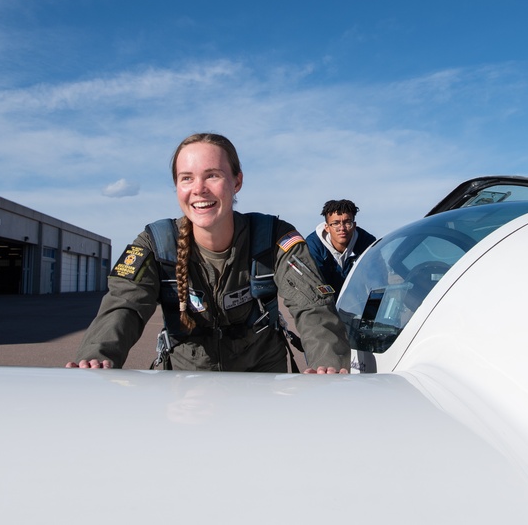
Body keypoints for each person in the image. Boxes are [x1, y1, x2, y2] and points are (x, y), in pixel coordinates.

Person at [66, 133, 350, 373]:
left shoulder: (273, 236)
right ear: (177, 186)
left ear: (237, 181)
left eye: (212, 175)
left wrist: (329, 364)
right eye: (186, 178)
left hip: (262, 384)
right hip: (186, 388)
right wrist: (96, 357)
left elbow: (312, 305)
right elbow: (123, 306)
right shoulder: (155, 244)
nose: (199, 189)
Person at [305, 199, 377, 294]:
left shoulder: (367, 243)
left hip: (357, 301)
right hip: (324, 302)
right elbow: (313, 284)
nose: (342, 228)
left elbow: (378, 278)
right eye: (335, 223)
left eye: (347, 222)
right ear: (327, 227)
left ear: (354, 225)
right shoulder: (313, 246)